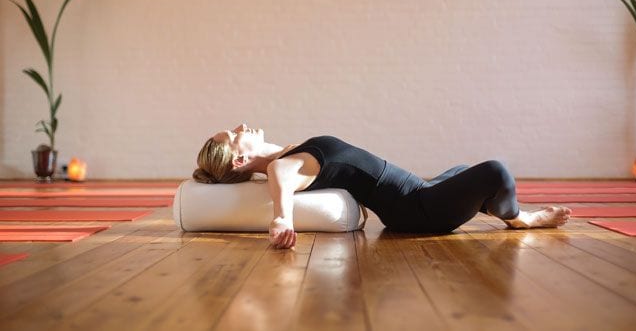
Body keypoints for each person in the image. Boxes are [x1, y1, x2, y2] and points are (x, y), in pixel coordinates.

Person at [193, 124, 571, 249]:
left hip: (419, 191)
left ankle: (499, 208)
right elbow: (280, 180)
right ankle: (521, 218)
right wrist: (281, 220)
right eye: (235, 133)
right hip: (420, 210)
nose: (242, 125)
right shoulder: (283, 165)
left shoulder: (290, 153)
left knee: (461, 169)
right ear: (239, 161)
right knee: (495, 172)